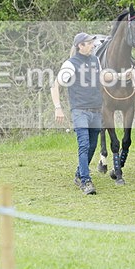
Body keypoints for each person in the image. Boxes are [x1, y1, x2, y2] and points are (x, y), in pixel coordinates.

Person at [51, 32, 103, 195]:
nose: (93, 45)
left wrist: (122, 75)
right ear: (80, 45)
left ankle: (79, 174)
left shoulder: (95, 60)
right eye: (89, 43)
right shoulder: (70, 64)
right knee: (84, 145)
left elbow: (102, 77)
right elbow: (55, 85)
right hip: (80, 110)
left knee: (93, 146)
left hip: (96, 109)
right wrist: (58, 107)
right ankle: (86, 181)